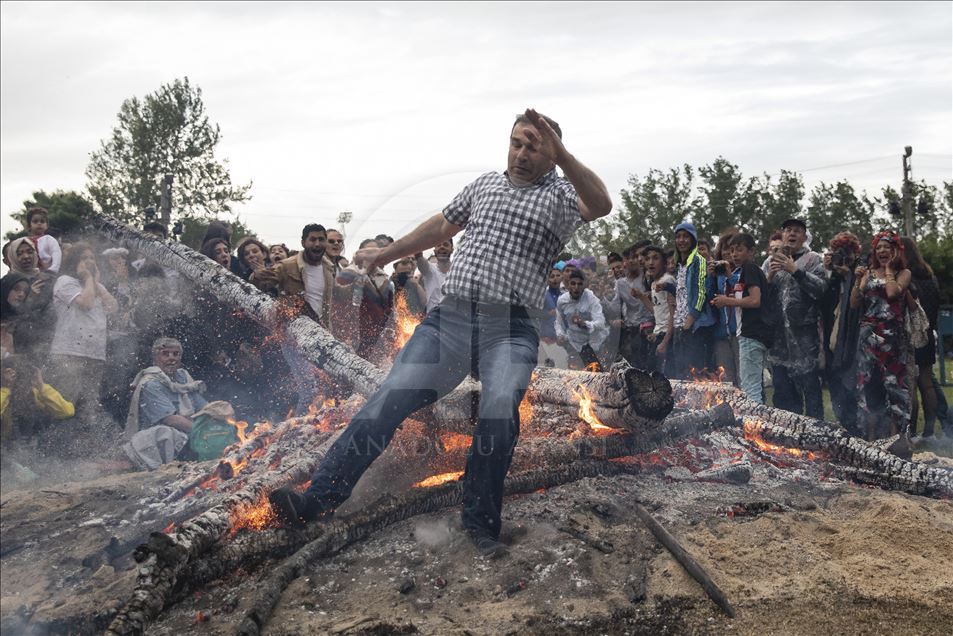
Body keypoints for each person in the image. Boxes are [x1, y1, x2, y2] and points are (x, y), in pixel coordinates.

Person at [268, 108, 612, 558]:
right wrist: (389, 252)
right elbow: (443, 224)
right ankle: (317, 499)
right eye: (517, 142)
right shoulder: (485, 184)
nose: (522, 153)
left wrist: (562, 153)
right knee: (390, 394)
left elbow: (601, 204)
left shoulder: (562, 196)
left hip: (509, 328)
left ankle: (480, 522)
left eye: (535, 146)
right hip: (448, 319)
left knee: (498, 408)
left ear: (552, 154)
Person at [252, 224, 343, 414]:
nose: (317, 244)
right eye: (312, 239)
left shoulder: (329, 267)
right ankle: (297, 431)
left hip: (320, 334)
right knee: (310, 388)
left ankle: (315, 430)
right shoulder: (288, 265)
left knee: (324, 387)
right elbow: (262, 282)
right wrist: (255, 276)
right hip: (293, 336)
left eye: (321, 239)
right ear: (303, 242)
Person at [46, 242, 119, 452]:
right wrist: (88, 280)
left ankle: (85, 451)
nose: (89, 262)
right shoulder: (65, 281)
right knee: (65, 404)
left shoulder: (95, 285)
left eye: (91, 258)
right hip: (69, 352)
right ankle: (56, 450)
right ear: (74, 261)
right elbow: (86, 303)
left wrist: (95, 283)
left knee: (89, 405)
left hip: (95, 353)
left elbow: (112, 307)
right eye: (84, 258)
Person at [852, 231, 912, 441]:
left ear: (896, 251)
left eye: (887, 247)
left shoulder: (903, 273)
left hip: (892, 337)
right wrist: (858, 280)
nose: (882, 251)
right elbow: (855, 303)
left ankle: (896, 438)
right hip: (868, 337)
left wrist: (887, 270)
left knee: (894, 385)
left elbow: (893, 293)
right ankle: (869, 438)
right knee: (868, 384)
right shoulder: (867, 273)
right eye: (879, 248)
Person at [764, 218, 826, 419]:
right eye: (788, 230)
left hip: (804, 337)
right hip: (778, 339)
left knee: (810, 388)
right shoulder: (769, 261)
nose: (792, 234)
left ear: (804, 236)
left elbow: (821, 289)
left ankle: (817, 435)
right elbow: (760, 298)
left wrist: (796, 271)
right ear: (782, 235)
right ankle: (788, 438)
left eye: (797, 231)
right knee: (782, 390)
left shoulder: (813, 259)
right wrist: (769, 278)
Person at [123, 337, 209, 470]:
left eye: (176, 354)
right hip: (160, 442)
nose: (171, 358)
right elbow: (171, 420)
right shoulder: (150, 384)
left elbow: (205, 408)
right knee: (166, 432)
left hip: (189, 433)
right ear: (155, 358)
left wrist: (220, 418)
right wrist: (203, 432)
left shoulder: (183, 378)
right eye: (165, 354)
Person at [711, 233, 771, 404]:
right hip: (747, 334)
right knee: (749, 385)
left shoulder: (750, 269)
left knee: (750, 388)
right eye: (732, 251)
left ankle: (754, 428)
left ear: (751, 251)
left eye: (740, 250)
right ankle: (753, 426)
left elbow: (755, 300)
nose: (735, 254)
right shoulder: (745, 272)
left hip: (751, 333)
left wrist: (726, 301)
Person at [821, 232, 863, 434]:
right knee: (835, 381)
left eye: (847, 252)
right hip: (832, 338)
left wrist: (850, 275)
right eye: (838, 253)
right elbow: (822, 300)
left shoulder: (861, 272)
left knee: (852, 382)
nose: (842, 257)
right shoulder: (833, 276)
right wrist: (829, 272)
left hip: (853, 339)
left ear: (855, 253)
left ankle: (857, 427)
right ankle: (844, 424)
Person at [901, 237, 939, 439]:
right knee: (927, 382)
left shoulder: (907, 276)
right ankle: (930, 432)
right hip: (928, 333)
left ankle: (912, 431)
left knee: (911, 385)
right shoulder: (929, 274)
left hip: (911, 335)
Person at [671, 222, 714, 379]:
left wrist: (691, 317)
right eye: (678, 237)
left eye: (685, 237)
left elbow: (702, 291)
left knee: (695, 373)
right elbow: (683, 291)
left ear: (693, 240)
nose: (681, 240)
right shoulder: (681, 264)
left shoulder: (698, 261)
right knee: (680, 371)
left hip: (694, 325)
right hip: (679, 324)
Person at [3, 238, 56, 360]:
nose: (26, 256)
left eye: (29, 251)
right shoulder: (7, 283)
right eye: (19, 253)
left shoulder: (46, 279)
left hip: (45, 344)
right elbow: (9, 315)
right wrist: (30, 298)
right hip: (17, 346)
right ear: (11, 257)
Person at [555, 269, 609, 370]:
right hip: (574, 343)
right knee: (575, 376)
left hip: (594, 343)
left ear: (584, 285)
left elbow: (601, 322)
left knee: (595, 375)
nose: (576, 287)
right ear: (568, 285)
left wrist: (585, 324)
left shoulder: (591, 299)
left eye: (580, 284)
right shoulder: (562, 301)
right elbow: (559, 322)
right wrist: (560, 334)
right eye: (573, 284)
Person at [615, 242, 654, 369]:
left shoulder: (648, 277)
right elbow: (615, 306)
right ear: (624, 262)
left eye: (634, 257)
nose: (632, 261)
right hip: (630, 329)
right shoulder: (620, 283)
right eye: (628, 258)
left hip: (648, 326)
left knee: (649, 364)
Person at [415, 239, 454, 313]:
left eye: (445, 244)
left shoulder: (457, 271)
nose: (442, 247)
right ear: (434, 250)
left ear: (452, 249)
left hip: (453, 318)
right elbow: (418, 254)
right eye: (438, 245)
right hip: (433, 319)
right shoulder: (429, 269)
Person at [23, 207, 62, 273]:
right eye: (35, 221)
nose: (39, 223)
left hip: (48, 272)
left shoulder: (49, 239)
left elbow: (56, 253)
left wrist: (53, 269)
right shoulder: (25, 241)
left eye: (42, 221)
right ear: (29, 226)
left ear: (46, 225)